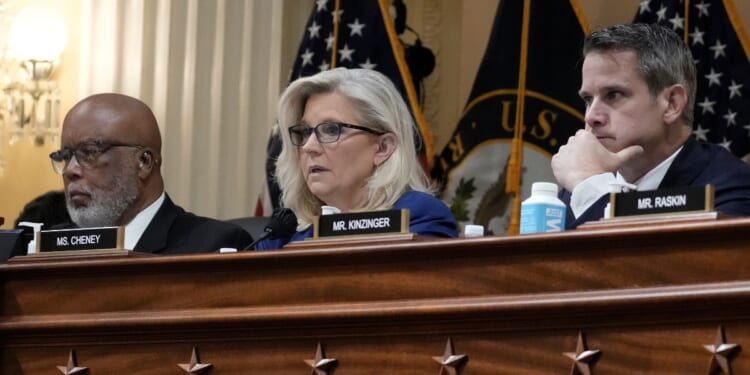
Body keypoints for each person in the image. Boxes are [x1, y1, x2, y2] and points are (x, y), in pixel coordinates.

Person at [551, 23, 750, 229]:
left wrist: (590, 187)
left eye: (614, 95)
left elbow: (648, 260)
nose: (591, 117)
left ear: (672, 103)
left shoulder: (732, 188)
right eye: (588, 99)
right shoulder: (576, 189)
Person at [255, 68, 457, 249]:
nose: (309, 147)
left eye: (331, 130)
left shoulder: (416, 216)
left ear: (383, 147)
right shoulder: (284, 233)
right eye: (305, 132)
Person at [48, 93, 253, 254]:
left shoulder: (212, 246)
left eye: (90, 153)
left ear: (144, 162)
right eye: (65, 156)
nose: (70, 170)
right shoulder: (48, 245)